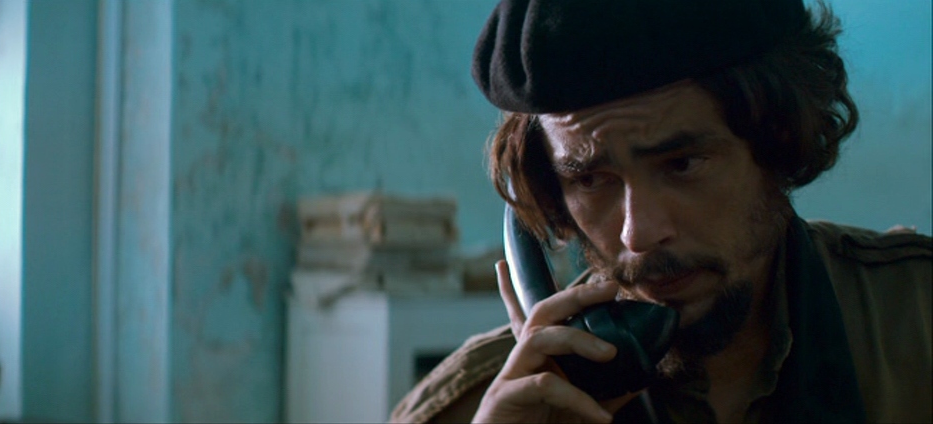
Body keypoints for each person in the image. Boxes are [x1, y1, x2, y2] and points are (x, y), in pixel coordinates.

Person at [390, 0, 932, 423]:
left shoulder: (916, 317)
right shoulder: (481, 404)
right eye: (590, 180)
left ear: (780, 139)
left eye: (682, 164)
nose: (639, 232)